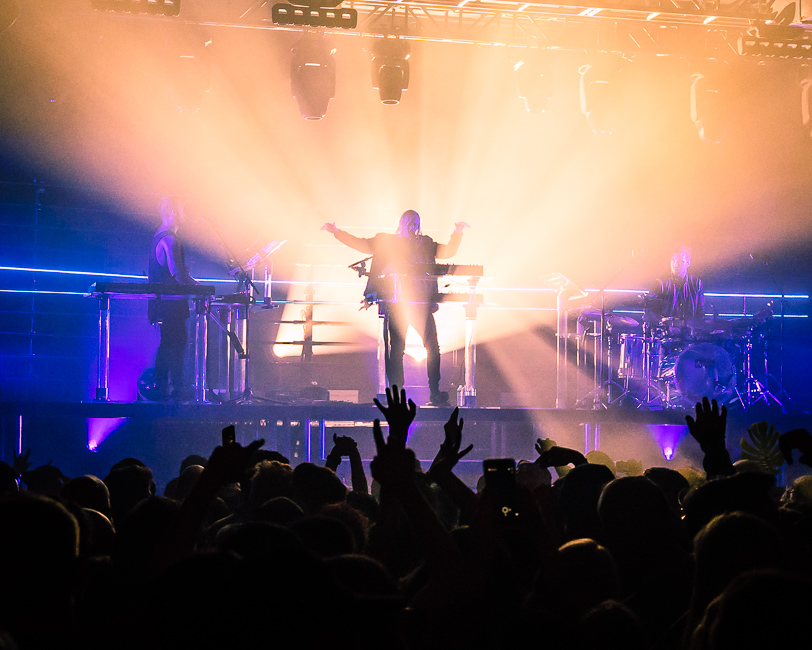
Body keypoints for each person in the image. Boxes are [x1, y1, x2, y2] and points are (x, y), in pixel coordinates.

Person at [322, 210, 469, 406]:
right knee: (397, 349)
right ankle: (397, 394)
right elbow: (361, 244)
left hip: (420, 304)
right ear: (402, 223)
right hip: (398, 304)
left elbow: (448, 252)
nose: (414, 226)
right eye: (410, 222)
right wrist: (336, 232)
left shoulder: (425, 243)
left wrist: (457, 232)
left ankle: (435, 392)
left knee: (433, 348)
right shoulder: (387, 242)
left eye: (417, 222)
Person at [148, 196, 198, 401]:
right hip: (171, 303)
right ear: (172, 213)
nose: (185, 214)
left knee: (169, 342)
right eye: (181, 210)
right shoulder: (170, 239)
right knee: (176, 343)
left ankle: (164, 387)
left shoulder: (159, 235)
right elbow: (177, 273)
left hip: (163, 302)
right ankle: (175, 389)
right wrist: (199, 288)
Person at [647, 245, 705, 322]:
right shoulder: (660, 284)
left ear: (688, 263)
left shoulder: (696, 284)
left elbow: (700, 312)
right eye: (673, 260)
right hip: (666, 330)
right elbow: (650, 311)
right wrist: (662, 322)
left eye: (680, 261)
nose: (676, 265)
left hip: (688, 331)